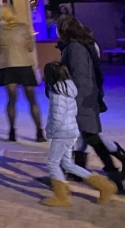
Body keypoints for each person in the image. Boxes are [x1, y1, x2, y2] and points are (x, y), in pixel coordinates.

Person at [57, 15, 125, 189]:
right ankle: (86, 169)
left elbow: (80, 76)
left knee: (91, 136)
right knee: (86, 135)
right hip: (90, 96)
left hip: (82, 98)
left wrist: (70, 98)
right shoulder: (87, 43)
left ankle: (116, 168)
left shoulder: (75, 48)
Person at [39, 61, 116, 207]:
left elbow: (57, 118)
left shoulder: (57, 93)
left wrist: (49, 131)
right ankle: (104, 186)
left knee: (52, 163)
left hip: (62, 133)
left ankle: (62, 197)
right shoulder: (69, 89)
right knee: (67, 163)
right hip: (71, 131)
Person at [0, 4, 45, 142]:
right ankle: (39, 132)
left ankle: (12, 132)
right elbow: (31, 48)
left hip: (7, 66)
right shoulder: (23, 28)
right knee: (32, 100)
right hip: (24, 65)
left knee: (11, 100)